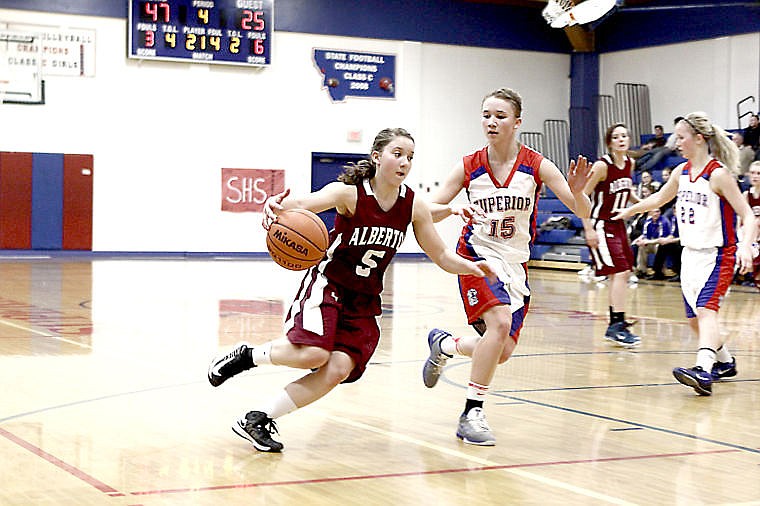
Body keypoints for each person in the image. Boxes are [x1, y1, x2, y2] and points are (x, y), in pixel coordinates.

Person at [206, 128, 496, 452]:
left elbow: (441, 254)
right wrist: (275, 206)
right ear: (376, 157)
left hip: (365, 300)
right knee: (314, 353)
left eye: (410, 157)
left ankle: (258, 418)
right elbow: (302, 203)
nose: (405, 162)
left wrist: (469, 266)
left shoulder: (412, 206)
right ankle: (247, 356)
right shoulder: (349, 194)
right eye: (397, 154)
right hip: (329, 284)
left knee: (338, 369)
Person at [420, 87, 591, 445]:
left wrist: (579, 193)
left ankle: (446, 345)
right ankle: (472, 412)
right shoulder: (469, 165)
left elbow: (582, 211)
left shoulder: (536, 164)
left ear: (517, 122)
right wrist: (451, 209)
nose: (491, 122)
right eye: (486, 115)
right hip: (476, 257)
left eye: (499, 116)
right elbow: (426, 210)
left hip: (515, 264)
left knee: (503, 351)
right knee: (498, 324)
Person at [613, 112, 758, 396]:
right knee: (694, 319)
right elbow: (659, 198)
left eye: (681, 137)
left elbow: (748, 216)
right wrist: (631, 209)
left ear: (699, 139)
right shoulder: (681, 172)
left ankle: (703, 369)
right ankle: (725, 363)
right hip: (689, 255)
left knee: (706, 311)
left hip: (718, 254)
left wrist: (745, 246)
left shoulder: (718, 175)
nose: (676, 142)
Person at [581, 123, 640, 347]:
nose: (621, 139)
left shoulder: (630, 163)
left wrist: (643, 204)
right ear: (609, 142)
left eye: (625, 135)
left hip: (618, 225)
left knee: (622, 274)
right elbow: (582, 196)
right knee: (620, 272)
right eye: (616, 137)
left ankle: (617, 324)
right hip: (601, 224)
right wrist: (588, 228)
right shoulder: (601, 166)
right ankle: (616, 324)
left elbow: (627, 191)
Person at [631, 206, 671, 278]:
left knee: (659, 247)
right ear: (650, 213)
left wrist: (647, 241)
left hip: (664, 242)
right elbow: (645, 235)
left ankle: (659, 272)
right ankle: (641, 271)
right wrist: (639, 240)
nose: (656, 214)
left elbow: (661, 239)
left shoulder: (663, 221)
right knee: (642, 247)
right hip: (652, 241)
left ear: (660, 212)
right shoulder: (648, 222)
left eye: (657, 211)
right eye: (653, 212)